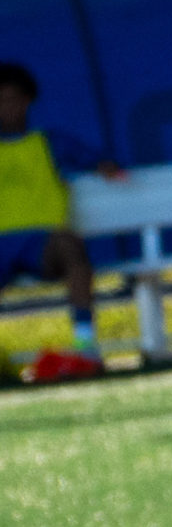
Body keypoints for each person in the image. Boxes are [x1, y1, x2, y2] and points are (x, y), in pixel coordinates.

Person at [0, 60, 119, 373]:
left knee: (70, 246)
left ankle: (85, 345)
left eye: (12, 99)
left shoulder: (50, 142)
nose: (6, 108)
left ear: (28, 101)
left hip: (42, 242)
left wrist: (105, 167)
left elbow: (97, 160)